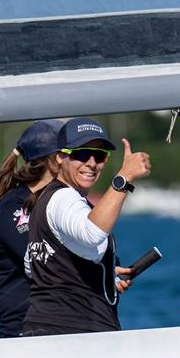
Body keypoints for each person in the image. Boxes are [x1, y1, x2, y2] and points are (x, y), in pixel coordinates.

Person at [23, 117, 151, 336]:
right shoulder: (64, 198)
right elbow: (92, 233)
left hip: (48, 331)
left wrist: (103, 275)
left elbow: (31, 264)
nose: (92, 163)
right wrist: (124, 177)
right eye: (81, 154)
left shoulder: (50, 199)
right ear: (60, 157)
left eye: (99, 156)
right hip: (74, 334)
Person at [0, 120, 62, 337]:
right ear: (53, 161)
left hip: (59, 327)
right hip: (23, 333)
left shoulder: (58, 201)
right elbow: (41, 261)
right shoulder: (11, 208)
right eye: (71, 153)